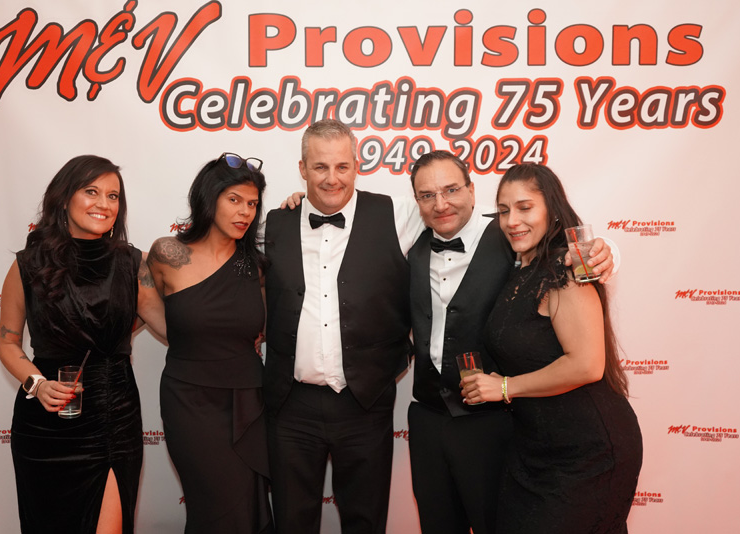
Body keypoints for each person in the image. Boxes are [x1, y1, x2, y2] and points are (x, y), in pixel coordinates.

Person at [407, 151, 616, 534]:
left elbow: (564, 253)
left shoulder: (509, 234)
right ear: (416, 201)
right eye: (427, 195)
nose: (441, 203)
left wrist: (607, 251)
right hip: (427, 418)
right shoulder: (410, 243)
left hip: (494, 422)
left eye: (451, 189)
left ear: (472, 190)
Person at [461, 163, 642, 533]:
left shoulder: (566, 267)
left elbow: (587, 365)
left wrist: (505, 387)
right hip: (532, 449)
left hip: (587, 452)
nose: (512, 221)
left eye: (525, 208)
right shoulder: (520, 272)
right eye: (504, 210)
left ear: (553, 211)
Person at [263, 119, 424, 534]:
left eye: (342, 166)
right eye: (320, 167)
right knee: (292, 522)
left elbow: (465, 224)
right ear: (302, 169)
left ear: (357, 165)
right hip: (290, 406)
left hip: (365, 404)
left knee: (365, 521)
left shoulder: (399, 214)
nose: (332, 179)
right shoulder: (273, 223)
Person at [0, 155, 166, 534]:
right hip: (46, 424)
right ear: (64, 197)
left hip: (113, 418)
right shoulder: (28, 265)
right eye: (91, 192)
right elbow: (7, 343)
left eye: (113, 196)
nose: (103, 204)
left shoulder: (133, 264)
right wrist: (37, 384)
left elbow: (172, 328)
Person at [147, 153, 273, 534]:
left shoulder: (256, 266)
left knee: (249, 507)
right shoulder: (167, 254)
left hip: (248, 401)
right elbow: (152, 313)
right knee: (215, 509)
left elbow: (265, 325)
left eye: (252, 204)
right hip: (190, 404)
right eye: (234, 199)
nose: (245, 212)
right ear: (208, 198)